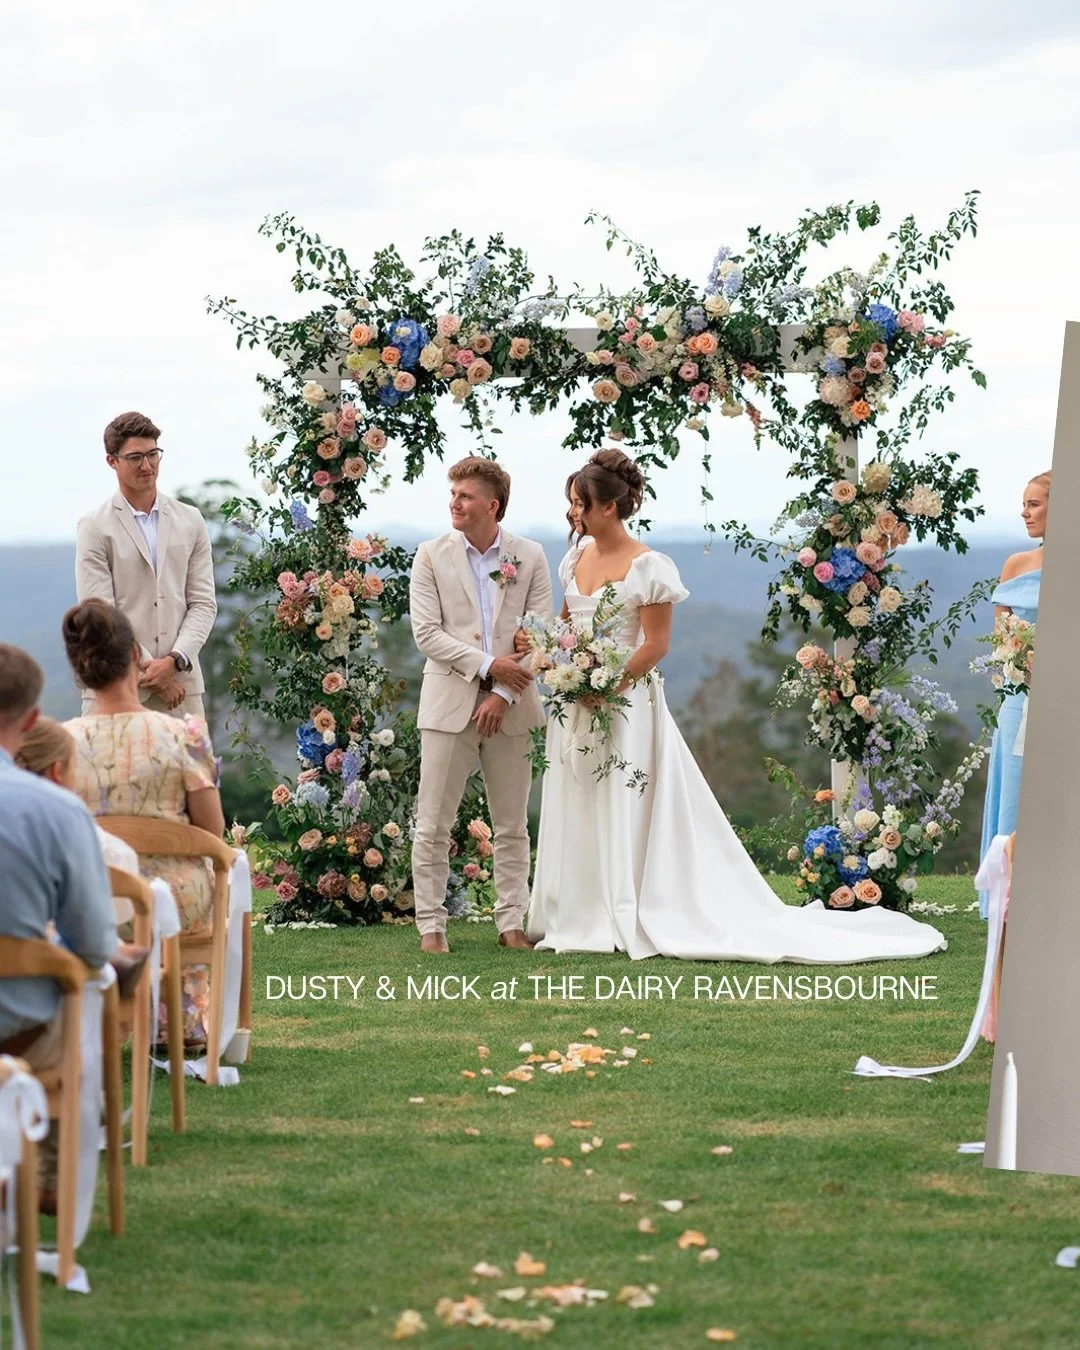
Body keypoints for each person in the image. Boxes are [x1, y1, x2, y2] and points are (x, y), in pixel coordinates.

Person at [524, 449, 946, 962]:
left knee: (624, 797)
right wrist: (561, 666)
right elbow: (567, 625)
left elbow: (656, 644)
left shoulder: (649, 566)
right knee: (580, 794)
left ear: (608, 507)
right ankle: (582, 909)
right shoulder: (574, 558)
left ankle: (627, 906)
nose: (573, 512)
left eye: (579, 503)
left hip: (627, 704)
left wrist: (608, 685)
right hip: (578, 701)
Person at [61, 599, 226, 1043]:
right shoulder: (185, 733)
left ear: (79, 670)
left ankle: (102, 1018)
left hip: (93, 901)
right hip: (174, 901)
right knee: (196, 884)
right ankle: (182, 1017)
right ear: (136, 655)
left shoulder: (60, 744)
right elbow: (212, 832)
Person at [409, 456, 553, 953]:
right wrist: (490, 667)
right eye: (453, 494)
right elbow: (428, 635)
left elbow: (540, 635)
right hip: (448, 704)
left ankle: (512, 922)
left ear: (492, 506)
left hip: (514, 707)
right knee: (433, 824)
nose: (454, 503)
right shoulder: (430, 556)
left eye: (465, 496)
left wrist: (503, 693)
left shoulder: (530, 555)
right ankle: (431, 927)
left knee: (512, 824)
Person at [0, 645, 118, 1209]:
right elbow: (94, 945)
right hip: (18, 1034)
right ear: (29, 721)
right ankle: (44, 1182)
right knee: (83, 993)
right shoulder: (58, 810)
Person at [75, 409, 217, 720]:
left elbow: (203, 603)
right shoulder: (94, 527)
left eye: (153, 454)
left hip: (182, 692)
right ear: (112, 461)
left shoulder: (191, 520)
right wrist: (153, 672)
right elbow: (101, 615)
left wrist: (175, 661)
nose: (147, 465)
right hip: (116, 691)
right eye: (135, 457)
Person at [976, 472, 1048, 919]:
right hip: (1020, 697)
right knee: (1015, 790)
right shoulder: (1016, 564)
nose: (1024, 512)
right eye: (1024, 504)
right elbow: (1001, 640)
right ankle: (1006, 902)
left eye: (1034, 504)